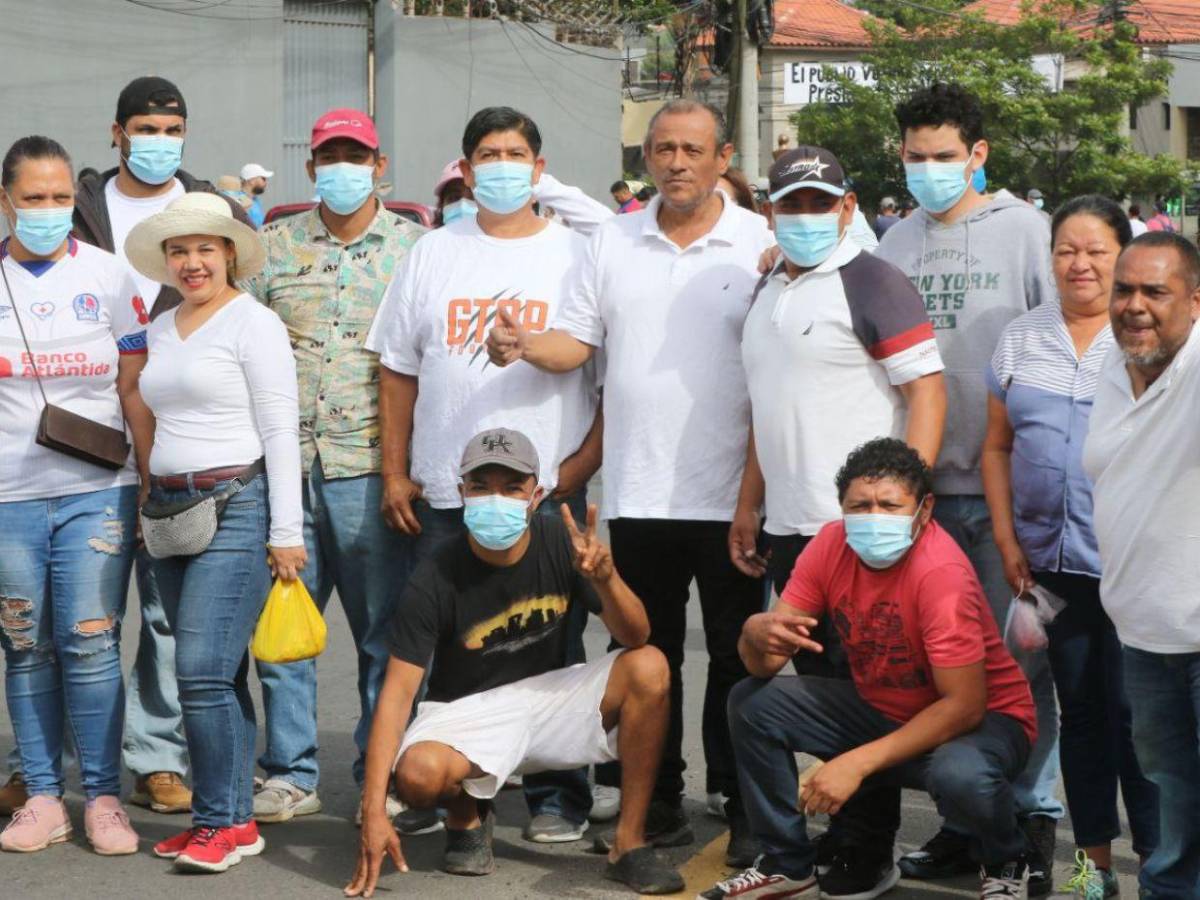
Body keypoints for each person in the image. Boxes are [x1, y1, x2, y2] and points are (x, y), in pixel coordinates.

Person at [486, 98, 775, 867]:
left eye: (692, 149)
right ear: (645, 158)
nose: (677, 162)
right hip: (641, 492)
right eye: (663, 149)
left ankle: (744, 803)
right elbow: (578, 342)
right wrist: (524, 345)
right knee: (647, 656)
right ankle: (662, 801)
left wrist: (755, 493)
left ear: (722, 159)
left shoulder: (759, 242)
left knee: (738, 652)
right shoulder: (611, 241)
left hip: (733, 497)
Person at [367, 106, 603, 842]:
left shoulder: (577, 254)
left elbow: (602, 372)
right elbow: (398, 370)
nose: (502, 166)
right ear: (465, 171)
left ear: (540, 169)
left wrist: (575, 471)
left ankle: (557, 798)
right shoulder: (433, 252)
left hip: (542, 495)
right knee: (445, 647)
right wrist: (396, 472)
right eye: (487, 155)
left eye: (517, 154)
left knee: (551, 648)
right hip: (445, 491)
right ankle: (447, 792)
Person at [343, 428, 683, 897]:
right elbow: (398, 694)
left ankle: (629, 843)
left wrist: (606, 580)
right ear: (461, 493)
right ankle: (466, 815)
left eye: (511, 487)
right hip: (466, 713)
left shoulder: (562, 542)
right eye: (481, 487)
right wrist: (376, 809)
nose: (494, 499)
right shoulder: (435, 573)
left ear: (535, 495)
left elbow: (636, 636)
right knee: (419, 776)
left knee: (650, 665)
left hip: (548, 700)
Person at [700, 438, 1039, 900]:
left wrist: (855, 763)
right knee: (751, 700)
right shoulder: (828, 546)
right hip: (881, 706)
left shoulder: (941, 574)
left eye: (890, 505)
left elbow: (965, 706)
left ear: (923, 510)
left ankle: (1007, 856)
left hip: (980, 722)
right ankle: (786, 863)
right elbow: (768, 659)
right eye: (860, 505)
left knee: (959, 774)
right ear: (841, 508)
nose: (874, 516)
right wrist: (754, 635)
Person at [874, 82, 1062, 892]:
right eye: (915, 157)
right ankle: (966, 824)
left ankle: (1032, 818)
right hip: (920, 494)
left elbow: (1060, 349)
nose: (928, 170)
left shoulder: (1028, 233)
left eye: (944, 157)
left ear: (977, 156)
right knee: (942, 673)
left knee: (1021, 671)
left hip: (1004, 494)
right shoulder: (891, 241)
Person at [71, 76, 252, 818]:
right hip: (82, 438)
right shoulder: (80, 211)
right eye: (144, 128)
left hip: (180, 445)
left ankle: (156, 756)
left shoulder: (214, 212)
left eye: (171, 128)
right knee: (77, 617)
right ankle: (47, 763)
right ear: (116, 132)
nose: (158, 140)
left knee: (169, 617)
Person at [241, 108, 425, 826]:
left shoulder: (416, 250)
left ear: (380, 166)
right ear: (312, 167)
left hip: (374, 474)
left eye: (357, 155)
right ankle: (290, 773)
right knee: (284, 630)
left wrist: (405, 471)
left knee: (385, 637)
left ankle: (380, 775)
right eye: (329, 156)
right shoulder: (270, 248)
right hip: (285, 473)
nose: (342, 168)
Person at [982, 195, 1159, 897]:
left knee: (1142, 722)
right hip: (1054, 566)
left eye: (1096, 251)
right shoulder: (1021, 338)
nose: (1080, 264)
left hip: (1136, 563)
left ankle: (1160, 863)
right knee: (1083, 719)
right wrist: (1005, 537)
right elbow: (996, 445)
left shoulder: (1147, 335)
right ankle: (1092, 865)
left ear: (1124, 256)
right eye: (1066, 250)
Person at [123, 192, 305, 873]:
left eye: (205, 248)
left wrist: (286, 529)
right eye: (179, 250)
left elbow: (281, 428)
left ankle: (218, 822)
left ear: (230, 252)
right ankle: (231, 822)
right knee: (215, 674)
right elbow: (150, 411)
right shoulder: (165, 326)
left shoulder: (253, 324)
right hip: (170, 513)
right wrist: (148, 497)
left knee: (197, 672)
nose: (192, 262)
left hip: (237, 507)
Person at [733, 144, 946, 676]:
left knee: (879, 691)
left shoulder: (874, 283)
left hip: (859, 529)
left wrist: (903, 505)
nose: (806, 217)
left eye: (819, 203)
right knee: (818, 687)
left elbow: (928, 392)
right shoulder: (767, 288)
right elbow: (769, 405)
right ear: (769, 213)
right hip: (789, 530)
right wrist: (748, 505)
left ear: (847, 208)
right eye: (792, 205)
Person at [0, 136, 150, 855]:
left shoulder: (112, 276)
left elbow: (135, 381)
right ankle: (40, 797)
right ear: (6, 202)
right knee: (25, 646)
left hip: (100, 490)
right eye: (34, 198)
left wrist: (150, 476)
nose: (49, 211)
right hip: (8, 500)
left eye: (61, 198)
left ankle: (102, 800)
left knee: (91, 645)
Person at [1083, 232, 1200, 899]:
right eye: (1123, 289)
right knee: (1174, 798)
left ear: (1195, 301)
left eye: (1155, 292)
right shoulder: (1112, 362)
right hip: (1144, 638)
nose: (1134, 306)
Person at [239, 163, 272, 228]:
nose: (266, 183)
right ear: (252, 181)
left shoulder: (255, 199)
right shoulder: (239, 201)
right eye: (263, 179)